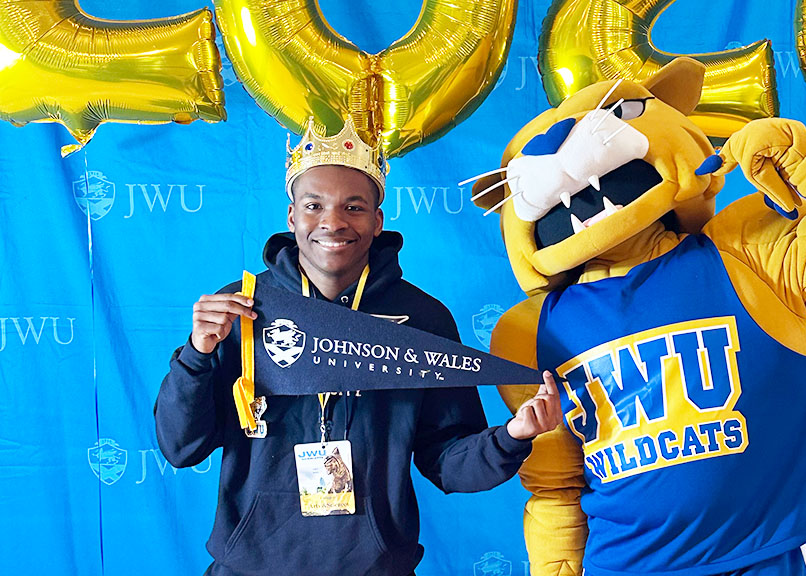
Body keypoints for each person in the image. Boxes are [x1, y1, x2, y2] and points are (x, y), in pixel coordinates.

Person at [155, 118, 561, 576]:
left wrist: (512, 437)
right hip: (250, 567)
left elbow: (447, 462)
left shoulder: (422, 320)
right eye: (314, 205)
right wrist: (196, 356)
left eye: (354, 206)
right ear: (292, 217)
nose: (333, 221)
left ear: (377, 220)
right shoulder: (242, 309)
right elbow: (180, 448)